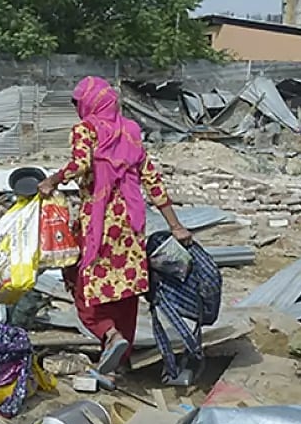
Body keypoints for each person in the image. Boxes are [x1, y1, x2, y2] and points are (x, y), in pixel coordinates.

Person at [37, 76, 191, 375]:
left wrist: (52, 180)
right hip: (132, 224)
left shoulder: (86, 129)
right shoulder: (131, 132)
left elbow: (80, 164)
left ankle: (109, 334)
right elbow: (152, 180)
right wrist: (176, 226)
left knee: (79, 280)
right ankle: (120, 363)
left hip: (99, 222)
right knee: (125, 289)